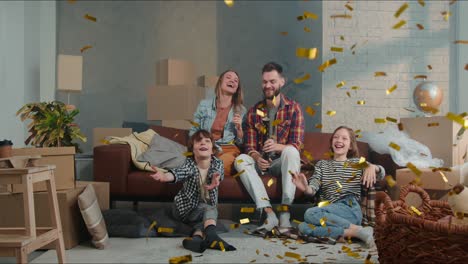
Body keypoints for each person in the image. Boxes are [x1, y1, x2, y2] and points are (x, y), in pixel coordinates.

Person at [234, 62, 305, 232]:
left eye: (272, 81)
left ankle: (285, 213)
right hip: (262, 164)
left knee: (291, 151)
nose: (268, 85)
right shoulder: (253, 111)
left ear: (282, 82)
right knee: (240, 160)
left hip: (282, 162)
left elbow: (297, 144)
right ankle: (269, 214)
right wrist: (257, 158)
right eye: (265, 82)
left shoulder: (294, 108)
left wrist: (278, 146)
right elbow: (249, 146)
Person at [291, 126, 385, 247]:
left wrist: (373, 167)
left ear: (350, 145)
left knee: (310, 214)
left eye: (344, 138)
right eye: (336, 137)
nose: (339, 140)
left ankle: (354, 228)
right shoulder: (322, 164)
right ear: (331, 143)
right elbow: (312, 190)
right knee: (303, 227)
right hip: (328, 211)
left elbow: (381, 174)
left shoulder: (356, 162)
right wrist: (305, 189)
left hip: (349, 209)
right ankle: (356, 232)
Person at [149, 130, 236, 253]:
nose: (203, 143)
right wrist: (165, 176)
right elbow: (179, 172)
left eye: (207, 141)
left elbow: (217, 172)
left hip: (201, 211)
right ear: (193, 149)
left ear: (212, 150)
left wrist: (215, 179)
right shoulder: (189, 164)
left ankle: (196, 239)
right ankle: (212, 236)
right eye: (198, 141)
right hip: (184, 209)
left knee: (205, 218)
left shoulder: (217, 163)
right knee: (210, 209)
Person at [189, 70, 246, 176]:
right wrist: (198, 146)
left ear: (237, 88)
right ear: (220, 81)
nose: (232, 81)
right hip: (206, 147)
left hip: (227, 149)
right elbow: (193, 130)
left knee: (218, 167)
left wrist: (239, 129)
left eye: (236, 81)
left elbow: (240, 142)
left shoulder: (241, 110)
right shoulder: (204, 105)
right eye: (228, 77)